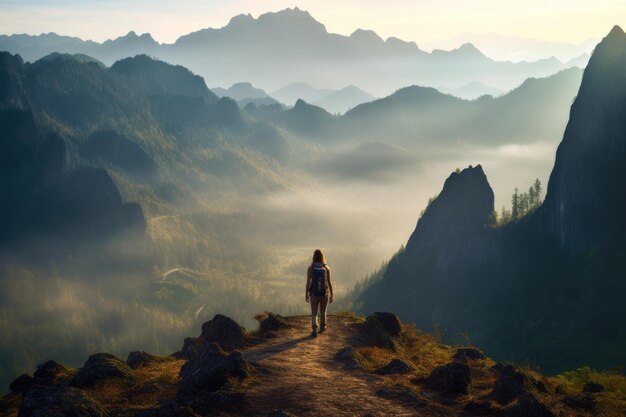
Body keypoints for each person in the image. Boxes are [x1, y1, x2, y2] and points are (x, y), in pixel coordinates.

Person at [305, 249, 333, 338]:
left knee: (314, 312)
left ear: (313, 257)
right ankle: (322, 328)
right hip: (324, 294)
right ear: (322, 257)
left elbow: (308, 282)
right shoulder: (326, 268)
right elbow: (329, 282)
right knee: (323, 311)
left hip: (314, 294)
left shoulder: (310, 268)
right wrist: (332, 294)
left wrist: (306, 294)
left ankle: (314, 330)